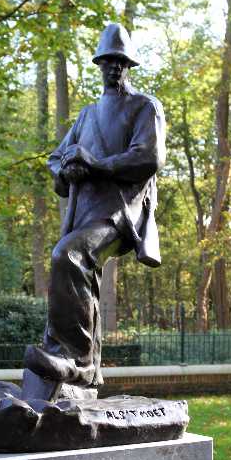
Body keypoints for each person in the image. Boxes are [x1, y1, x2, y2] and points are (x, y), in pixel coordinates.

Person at [24, 23, 166, 389]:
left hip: (120, 212)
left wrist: (96, 164)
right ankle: (85, 368)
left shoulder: (145, 107)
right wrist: (67, 168)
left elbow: (148, 156)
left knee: (67, 256)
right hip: (84, 209)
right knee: (80, 273)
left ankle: (75, 357)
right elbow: (57, 157)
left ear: (128, 65)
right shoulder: (86, 115)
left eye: (120, 62)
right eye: (107, 61)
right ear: (99, 65)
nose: (113, 68)